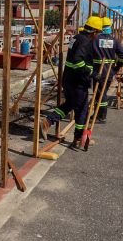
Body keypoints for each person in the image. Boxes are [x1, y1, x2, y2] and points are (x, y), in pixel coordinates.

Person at [41, 16, 102, 149]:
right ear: (94, 32)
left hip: (68, 79)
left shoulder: (77, 38)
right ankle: (78, 138)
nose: (98, 36)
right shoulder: (85, 41)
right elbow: (78, 61)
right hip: (77, 82)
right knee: (82, 110)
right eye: (98, 33)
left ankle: (48, 121)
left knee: (70, 104)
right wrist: (91, 73)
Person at [92, 17, 123, 123]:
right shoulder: (114, 41)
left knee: (99, 93)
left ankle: (101, 116)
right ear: (109, 27)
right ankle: (98, 114)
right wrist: (117, 67)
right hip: (109, 71)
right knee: (102, 92)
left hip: (97, 70)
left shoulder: (94, 40)